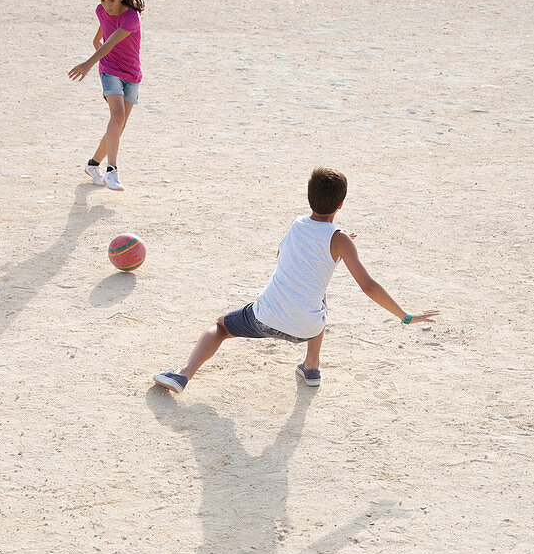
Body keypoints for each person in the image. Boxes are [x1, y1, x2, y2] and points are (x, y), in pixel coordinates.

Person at [153, 167, 439, 394]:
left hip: (264, 318)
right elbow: (368, 286)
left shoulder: (297, 224)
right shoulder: (340, 241)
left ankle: (182, 375)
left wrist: (334, 245)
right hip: (307, 328)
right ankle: (311, 367)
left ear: (309, 197)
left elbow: (283, 253)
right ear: (341, 204)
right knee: (318, 301)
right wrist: (405, 316)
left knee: (219, 326)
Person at [68, 0, 144, 191]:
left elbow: (110, 42)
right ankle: (112, 170)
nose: (107, 5)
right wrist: (95, 38)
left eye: (111, 0)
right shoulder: (100, 10)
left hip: (131, 73)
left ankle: (93, 165)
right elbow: (104, 24)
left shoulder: (131, 17)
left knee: (118, 127)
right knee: (117, 115)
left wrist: (87, 63)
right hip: (109, 69)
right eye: (102, 0)